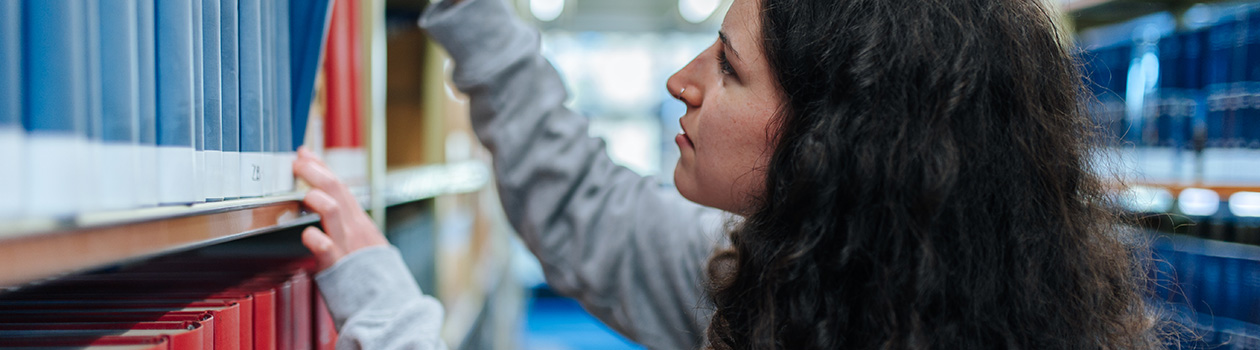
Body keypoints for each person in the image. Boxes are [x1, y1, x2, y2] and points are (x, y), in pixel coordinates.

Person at [295, 0, 1169, 348]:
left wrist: (388, 318)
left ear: (834, 141)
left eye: (727, 67)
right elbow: (591, 214)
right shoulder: (796, 272)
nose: (682, 82)